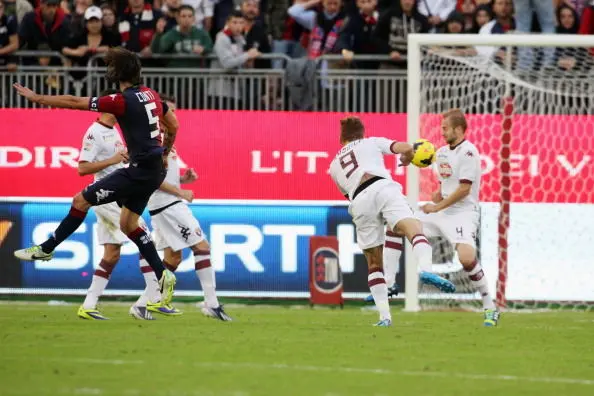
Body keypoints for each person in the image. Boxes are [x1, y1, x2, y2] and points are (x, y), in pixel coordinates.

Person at [13, 47, 178, 321]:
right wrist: (164, 153)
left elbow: (76, 101)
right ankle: (163, 275)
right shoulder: (151, 94)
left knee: (81, 200)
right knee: (129, 224)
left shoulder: (120, 101)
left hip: (137, 170)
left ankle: (46, 248)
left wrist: (38, 97)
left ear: (117, 72)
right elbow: (173, 125)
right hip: (153, 172)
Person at [328, 116, 455, 327]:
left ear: (342, 139)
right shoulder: (371, 142)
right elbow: (406, 147)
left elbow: (347, 193)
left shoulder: (334, 166)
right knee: (414, 229)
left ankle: (384, 318)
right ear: (362, 134)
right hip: (383, 188)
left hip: (358, 199)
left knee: (374, 263)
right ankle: (426, 270)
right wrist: (407, 157)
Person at [75, 91, 181, 320]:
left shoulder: (114, 130)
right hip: (107, 195)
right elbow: (82, 168)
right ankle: (153, 299)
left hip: (117, 193)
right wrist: (114, 160)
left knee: (112, 255)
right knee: (143, 237)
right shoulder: (94, 132)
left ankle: (88, 305)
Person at [146, 96, 232, 321]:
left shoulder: (167, 142)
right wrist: (180, 193)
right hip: (168, 205)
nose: (174, 116)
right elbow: (149, 179)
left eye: (174, 111)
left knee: (173, 259)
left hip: (165, 204)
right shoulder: (152, 142)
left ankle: (142, 304)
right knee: (202, 247)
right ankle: (211, 304)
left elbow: (163, 178)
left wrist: (184, 180)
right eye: (170, 111)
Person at [419, 109, 499, 326]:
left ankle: (490, 307)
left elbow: (464, 189)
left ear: (459, 129)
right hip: (442, 210)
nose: (442, 132)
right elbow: (444, 185)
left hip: (463, 213)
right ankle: (399, 280)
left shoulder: (469, 152)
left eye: (446, 128)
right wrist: (437, 197)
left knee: (466, 258)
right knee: (402, 226)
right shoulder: (442, 152)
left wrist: (436, 206)